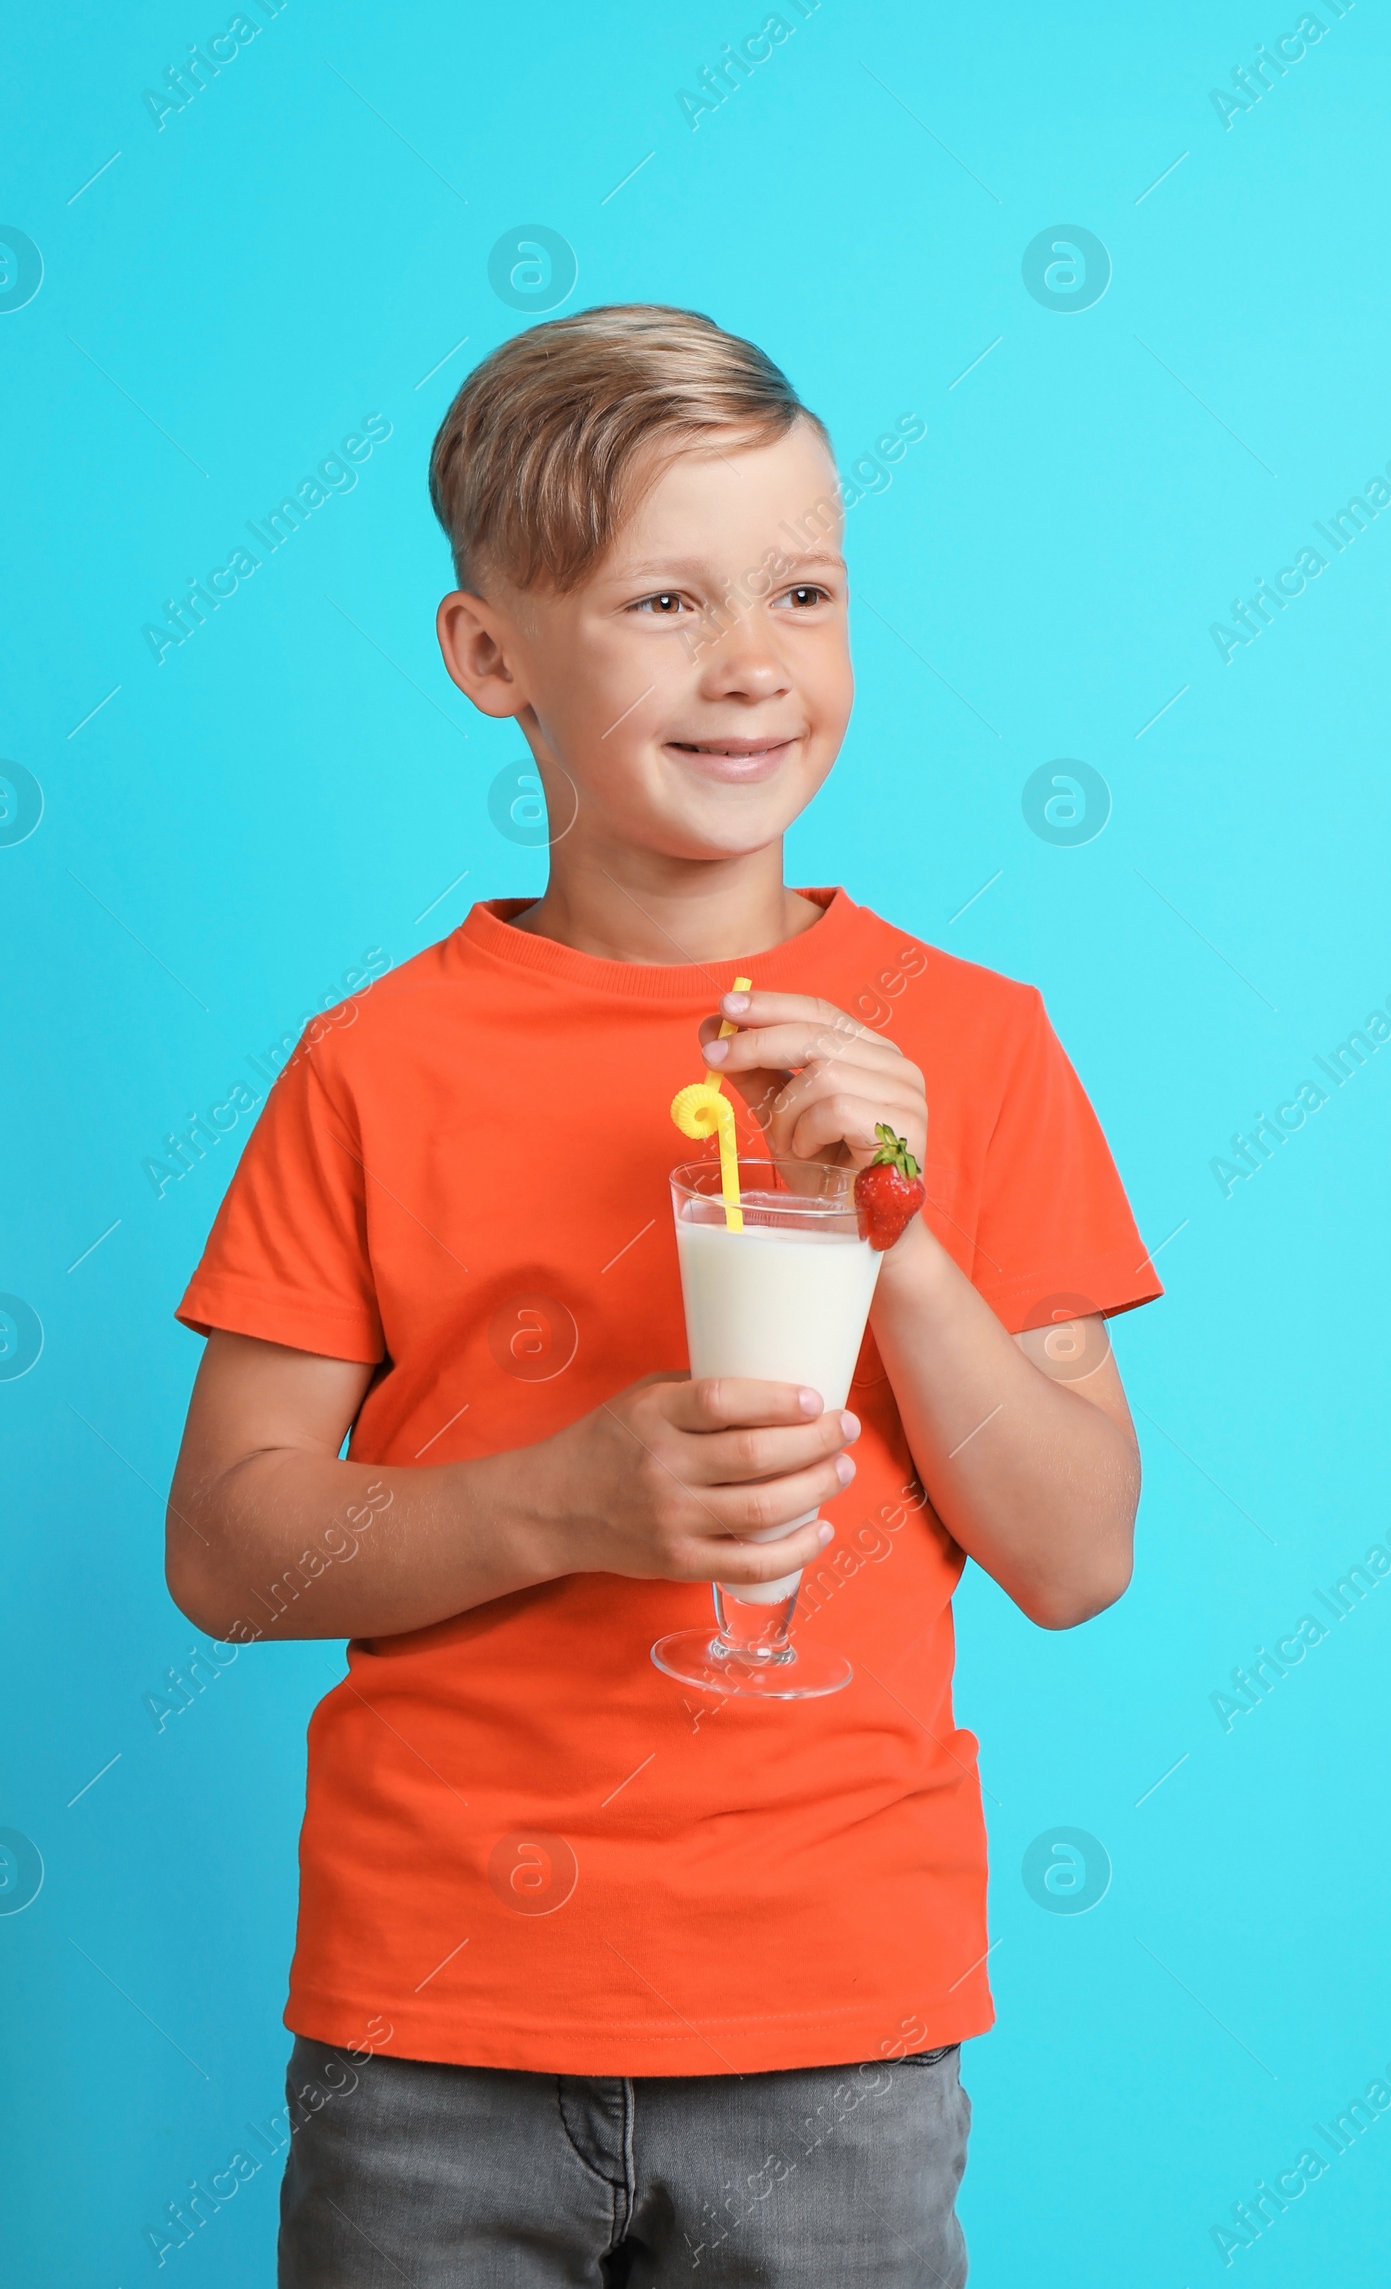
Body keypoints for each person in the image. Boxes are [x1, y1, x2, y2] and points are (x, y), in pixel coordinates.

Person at [166, 303, 1161, 2287]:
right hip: (431, 2024)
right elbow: (227, 1553)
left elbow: (1070, 1553)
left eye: (801, 589)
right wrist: (563, 1502)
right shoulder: (371, 1064)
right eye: (659, 602)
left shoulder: (974, 1045)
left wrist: (895, 1231)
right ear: (488, 656)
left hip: (833, 2029)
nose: (751, 665)